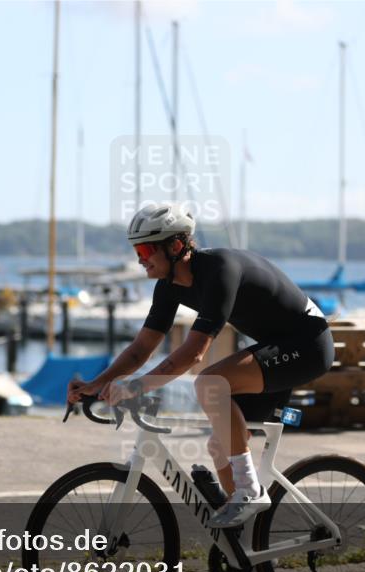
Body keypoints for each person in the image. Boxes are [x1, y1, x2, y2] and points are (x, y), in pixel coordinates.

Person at [67, 202, 334, 528]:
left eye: (146, 249)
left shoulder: (220, 270)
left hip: (307, 344)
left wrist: (135, 386)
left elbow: (194, 353)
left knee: (209, 382)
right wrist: (96, 384)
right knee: (220, 445)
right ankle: (240, 553)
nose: (140, 258)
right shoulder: (167, 287)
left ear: (176, 246)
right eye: (137, 249)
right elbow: (141, 349)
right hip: (274, 348)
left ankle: (249, 491)